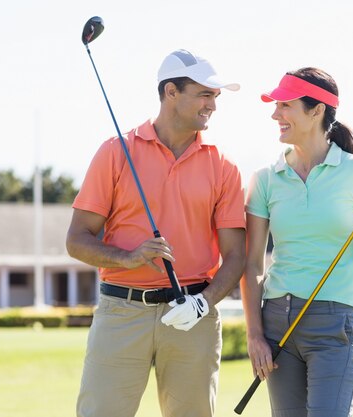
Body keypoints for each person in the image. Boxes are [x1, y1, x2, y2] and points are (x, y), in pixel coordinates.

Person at [67, 49, 246, 417]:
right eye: (204, 94)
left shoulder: (224, 166)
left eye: (215, 96)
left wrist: (204, 303)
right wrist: (127, 257)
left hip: (192, 315)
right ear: (170, 92)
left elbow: (237, 256)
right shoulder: (116, 152)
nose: (212, 105)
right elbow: (77, 239)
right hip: (122, 312)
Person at [240, 67, 353, 417]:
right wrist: (254, 335)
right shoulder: (265, 179)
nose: (275, 114)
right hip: (277, 322)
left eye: (285, 105)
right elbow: (251, 264)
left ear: (316, 110)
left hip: (334, 322)